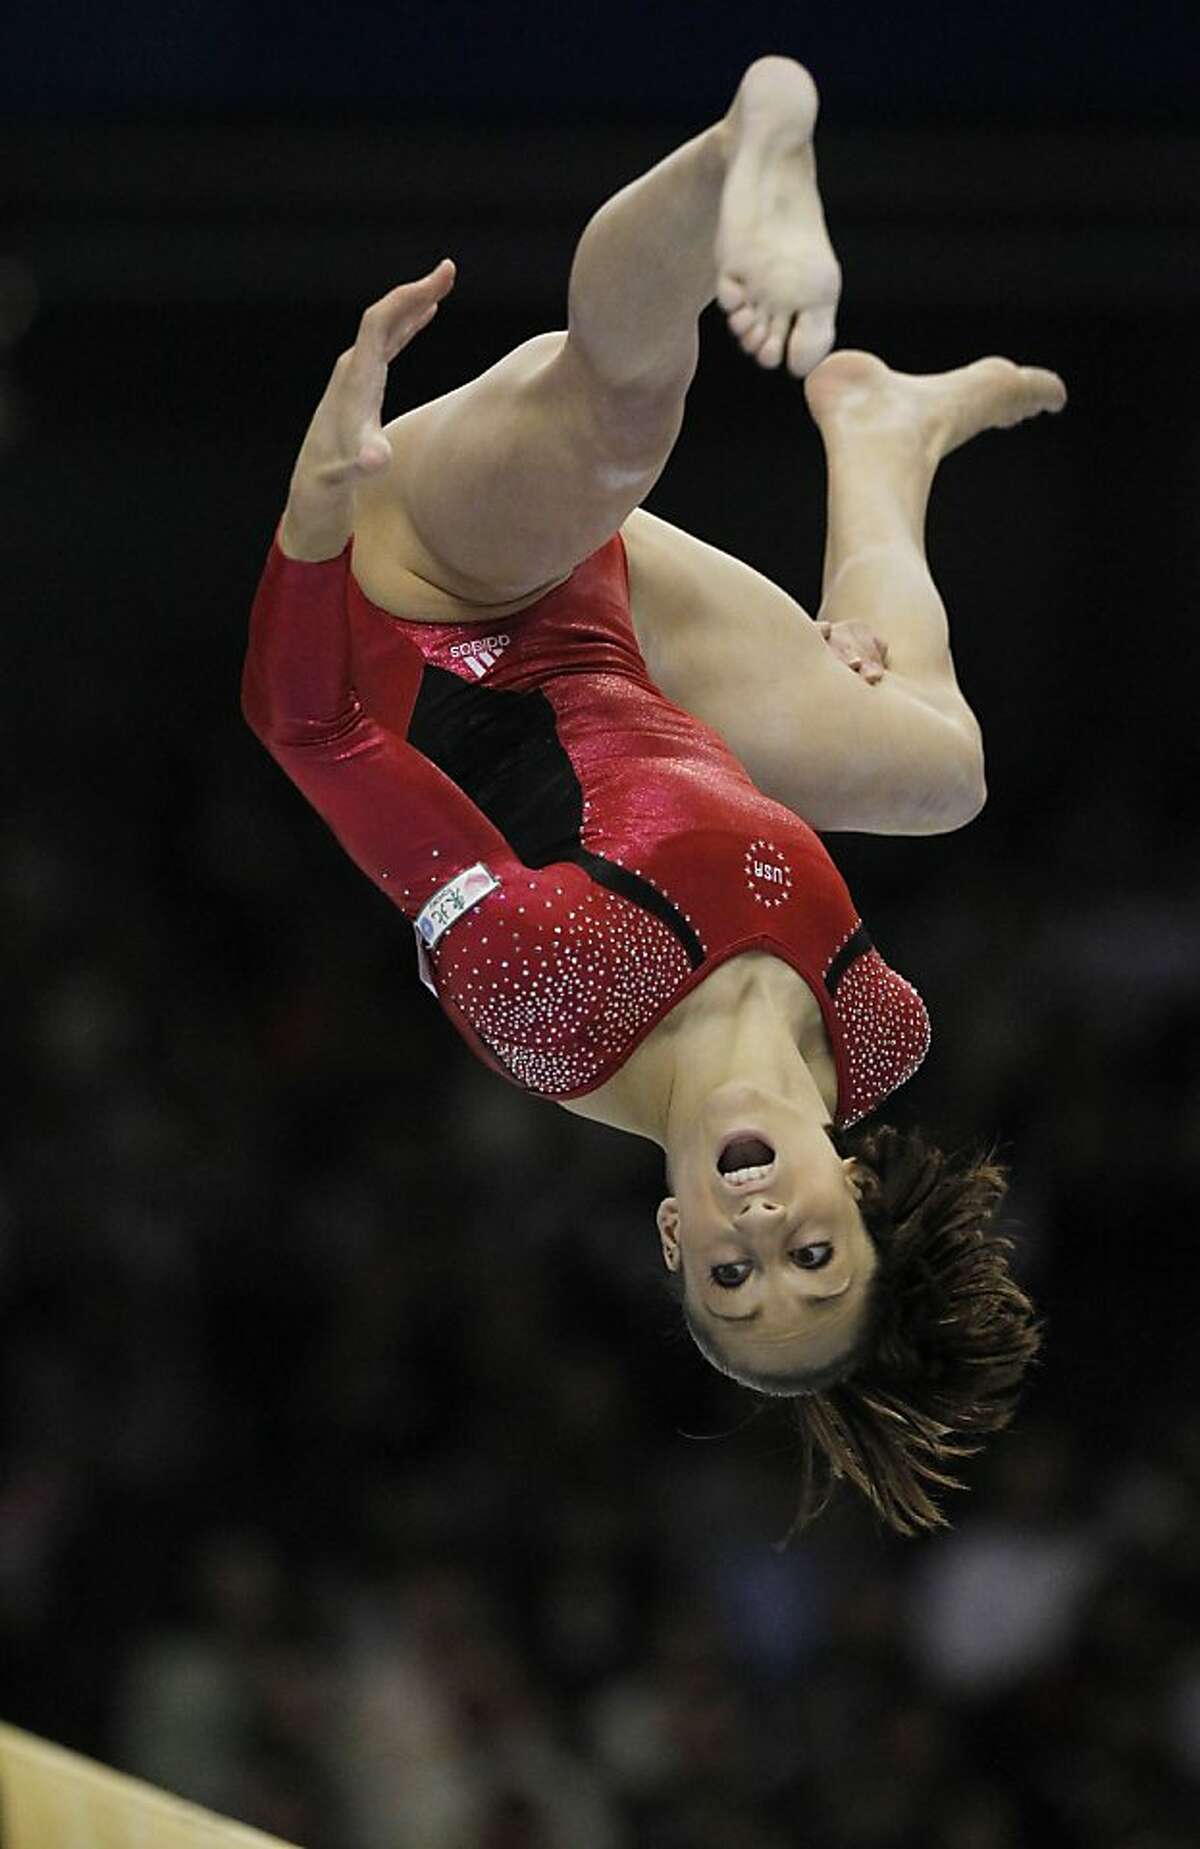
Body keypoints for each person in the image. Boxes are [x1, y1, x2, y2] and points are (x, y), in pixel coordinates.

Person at [243, 57, 1060, 1535]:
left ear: (673, 1236)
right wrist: (805, 690)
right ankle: (879, 434)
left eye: (729, 1280)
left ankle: (742, 145)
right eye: (814, 1259)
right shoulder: (880, 1028)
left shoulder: (550, 1000)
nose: (763, 1238)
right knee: (940, 772)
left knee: (621, 419)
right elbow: (694, 801)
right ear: (860, 1191)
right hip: (637, 657)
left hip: (434, 586)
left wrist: (310, 529)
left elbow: (314, 732)